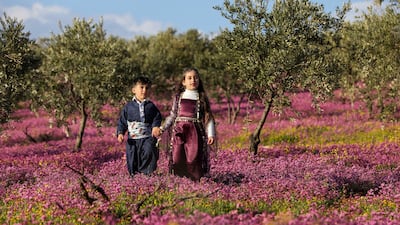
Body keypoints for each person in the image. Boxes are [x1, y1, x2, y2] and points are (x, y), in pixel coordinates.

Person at [161, 67, 216, 181]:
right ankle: (179, 182)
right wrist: (162, 128)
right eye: (189, 78)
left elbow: (208, 117)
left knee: (193, 158)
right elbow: (172, 115)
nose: (193, 80)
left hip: (194, 132)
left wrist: (211, 134)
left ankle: (195, 181)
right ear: (183, 82)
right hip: (179, 131)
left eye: (195, 77)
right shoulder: (178, 97)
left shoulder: (201, 97)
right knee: (177, 157)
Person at [116, 76, 162, 176]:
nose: (144, 90)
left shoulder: (151, 106)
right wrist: (120, 133)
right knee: (132, 158)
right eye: (141, 87)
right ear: (134, 90)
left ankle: (146, 175)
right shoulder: (128, 107)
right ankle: (135, 179)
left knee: (149, 152)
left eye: (147, 88)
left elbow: (157, 117)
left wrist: (155, 127)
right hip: (133, 139)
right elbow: (122, 122)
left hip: (147, 137)